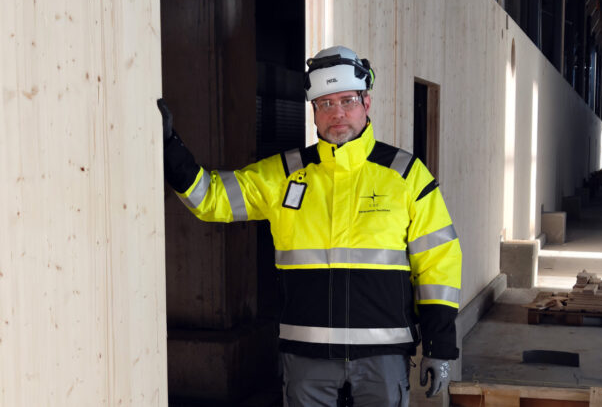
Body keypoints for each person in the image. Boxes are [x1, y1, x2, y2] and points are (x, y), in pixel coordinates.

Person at [158, 46, 462, 407]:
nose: (337, 113)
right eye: (325, 104)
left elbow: (438, 266)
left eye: (347, 100)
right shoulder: (283, 174)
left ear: (367, 103)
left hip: (381, 357)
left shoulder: (406, 175)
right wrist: (168, 146)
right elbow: (211, 199)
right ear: (314, 112)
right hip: (306, 359)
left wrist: (439, 347)